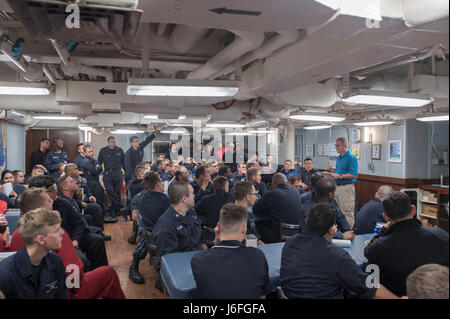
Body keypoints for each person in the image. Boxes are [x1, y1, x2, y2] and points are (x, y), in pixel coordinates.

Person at [11, 188, 125, 299]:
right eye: (49, 200)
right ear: (42, 208)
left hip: (31, 291)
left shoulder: (16, 234)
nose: (52, 200)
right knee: (108, 273)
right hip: (65, 291)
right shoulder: (54, 232)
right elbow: (74, 273)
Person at [280, 203, 398, 299]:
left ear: (306, 221)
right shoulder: (337, 256)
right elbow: (370, 287)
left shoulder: (289, 243)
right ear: (333, 230)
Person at [364, 191, 449, 297]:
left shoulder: (380, 247)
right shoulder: (441, 235)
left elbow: (370, 282)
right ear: (413, 210)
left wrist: (384, 229)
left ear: (386, 217)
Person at [191, 203, 270, 299]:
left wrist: (216, 238)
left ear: (219, 227)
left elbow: (215, 254)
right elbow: (262, 296)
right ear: (244, 229)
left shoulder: (198, 260)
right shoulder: (258, 257)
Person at [0, 208, 67, 299]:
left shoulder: (55, 261)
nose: (62, 233)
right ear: (40, 239)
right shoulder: (5, 275)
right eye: (56, 230)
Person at [129, 172, 169, 284]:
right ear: (157, 184)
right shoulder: (164, 200)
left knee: (146, 236)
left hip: (147, 231)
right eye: (161, 181)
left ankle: (134, 265)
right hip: (158, 235)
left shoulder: (143, 197)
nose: (162, 184)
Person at [151, 181, 206, 258]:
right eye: (192, 193)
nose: (194, 196)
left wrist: (202, 243)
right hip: (183, 261)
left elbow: (197, 232)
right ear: (184, 199)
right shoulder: (166, 226)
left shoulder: (190, 212)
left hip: (197, 254)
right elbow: (170, 258)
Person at [252, 173, 302, 243]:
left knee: (257, 226)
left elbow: (256, 208)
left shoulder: (272, 193)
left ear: (273, 183)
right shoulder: (296, 192)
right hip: (295, 234)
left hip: (277, 235)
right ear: (286, 182)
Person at [326, 137, 358, 228]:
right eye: (335, 145)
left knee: (347, 212)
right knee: (337, 211)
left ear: (345, 145)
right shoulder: (340, 157)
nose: (336, 147)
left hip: (346, 187)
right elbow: (341, 169)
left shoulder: (351, 157)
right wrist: (332, 169)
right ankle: (341, 232)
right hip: (337, 187)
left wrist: (339, 176)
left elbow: (354, 174)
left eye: (338, 145)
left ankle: (348, 233)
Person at [79, 145, 116, 222]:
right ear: (84, 153)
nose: (91, 153)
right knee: (98, 200)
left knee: (103, 198)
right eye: (89, 152)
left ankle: (105, 216)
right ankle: (101, 218)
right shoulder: (85, 161)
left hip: (96, 182)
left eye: (92, 151)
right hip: (91, 184)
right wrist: (96, 168)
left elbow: (100, 168)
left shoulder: (93, 159)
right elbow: (95, 171)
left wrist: (97, 168)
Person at [98, 136, 125, 217]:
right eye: (111, 141)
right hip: (108, 174)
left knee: (117, 193)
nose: (113, 143)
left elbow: (124, 163)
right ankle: (121, 207)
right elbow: (99, 162)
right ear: (108, 142)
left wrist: (125, 174)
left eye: (114, 141)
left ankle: (115, 211)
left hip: (118, 173)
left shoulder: (119, 150)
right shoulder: (103, 150)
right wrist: (98, 172)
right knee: (110, 191)